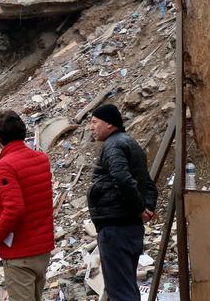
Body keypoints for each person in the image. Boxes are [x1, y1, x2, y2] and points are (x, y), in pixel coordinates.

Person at [88, 104, 158, 301]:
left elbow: (121, 177)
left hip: (116, 228)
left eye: (94, 122)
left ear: (109, 124)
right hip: (130, 228)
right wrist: (147, 209)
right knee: (127, 287)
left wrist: (140, 209)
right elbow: (149, 184)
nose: (90, 127)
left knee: (120, 292)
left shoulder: (113, 145)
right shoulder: (131, 143)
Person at [0, 110, 54, 301]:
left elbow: (14, 209)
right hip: (42, 248)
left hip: (20, 252)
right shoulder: (41, 159)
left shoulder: (6, 165)